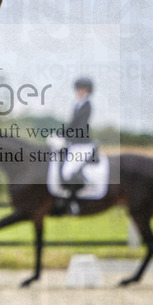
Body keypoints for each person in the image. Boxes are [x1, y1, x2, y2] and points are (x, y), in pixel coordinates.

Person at [62, 76, 95, 215]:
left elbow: (80, 127)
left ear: (87, 90)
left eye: (81, 89)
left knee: (68, 172)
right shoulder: (78, 105)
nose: (78, 91)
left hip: (82, 144)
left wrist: (67, 138)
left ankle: (75, 204)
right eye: (78, 89)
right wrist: (60, 135)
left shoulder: (87, 106)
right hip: (75, 143)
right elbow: (72, 124)